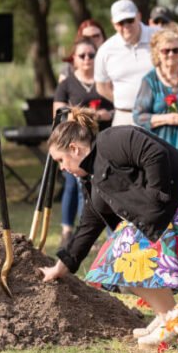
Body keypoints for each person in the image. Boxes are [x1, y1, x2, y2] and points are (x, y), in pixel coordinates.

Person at [38, 108, 178, 348]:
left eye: (60, 160)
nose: (62, 168)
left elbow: (154, 153)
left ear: (74, 149)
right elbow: (89, 225)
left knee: (124, 259)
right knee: (118, 261)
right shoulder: (90, 180)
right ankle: (166, 316)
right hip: (163, 209)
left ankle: (170, 319)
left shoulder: (112, 140)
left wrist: (157, 198)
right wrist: (61, 267)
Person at [53, 37, 114, 243]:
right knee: (79, 189)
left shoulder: (105, 81)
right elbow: (59, 114)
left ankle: (110, 235)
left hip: (103, 140)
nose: (87, 58)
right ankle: (80, 234)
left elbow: (120, 105)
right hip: (76, 145)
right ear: (74, 59)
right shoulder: (67, 83)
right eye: (82, 55)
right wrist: (90, 114)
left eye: (91, 55)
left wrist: (107, 114)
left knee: (106, 186)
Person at [133, 29, 178, 163]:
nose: (171, 54)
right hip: (161, 149)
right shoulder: (150, 80)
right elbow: (138, 116)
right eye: (166, 51)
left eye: (176, 50)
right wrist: (167, 118)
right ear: (157, 53)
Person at [94, 0, 158, 126]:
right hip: (124, 116)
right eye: (120, 22)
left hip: (158, 115)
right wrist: (123, 101)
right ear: (113, 24)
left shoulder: (158, 37)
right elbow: (101, 86)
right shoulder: (106, 50)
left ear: (139, 17)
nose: (126, 26)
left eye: (130, 20)